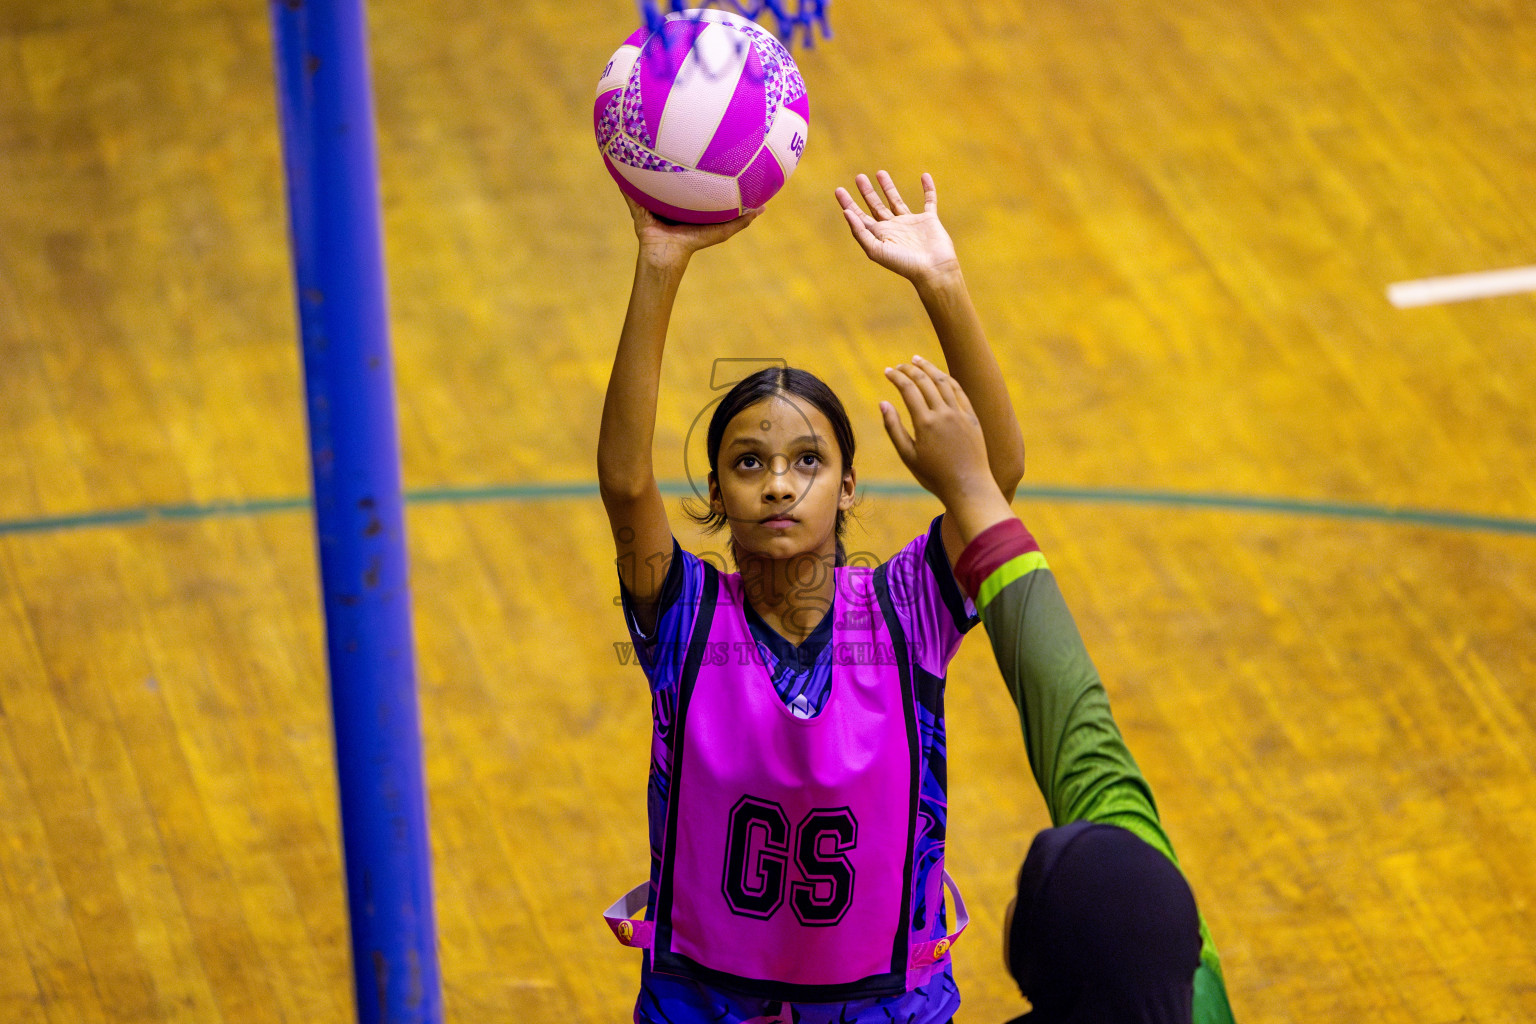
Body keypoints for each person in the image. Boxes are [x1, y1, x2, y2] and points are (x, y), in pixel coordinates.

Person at [596, 172, 1025, 1024]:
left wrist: (942, 282)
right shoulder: (684, 620)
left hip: (885, 1007)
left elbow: (993, 478)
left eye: (807, 461)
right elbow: (623, 481)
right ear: (716, 493)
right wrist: (659, 263)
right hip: (707, 1006)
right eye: (749, 463)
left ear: (850, 486)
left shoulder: (908, 614)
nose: (780, 485)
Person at [874, 356, 1239, 1024]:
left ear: (1028, 969)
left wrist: (969, 487)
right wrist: (974, 488)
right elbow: (1087, 752)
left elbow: (1073, 712)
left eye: (1027, 893)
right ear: (1189, 940)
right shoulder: (1194, 988)